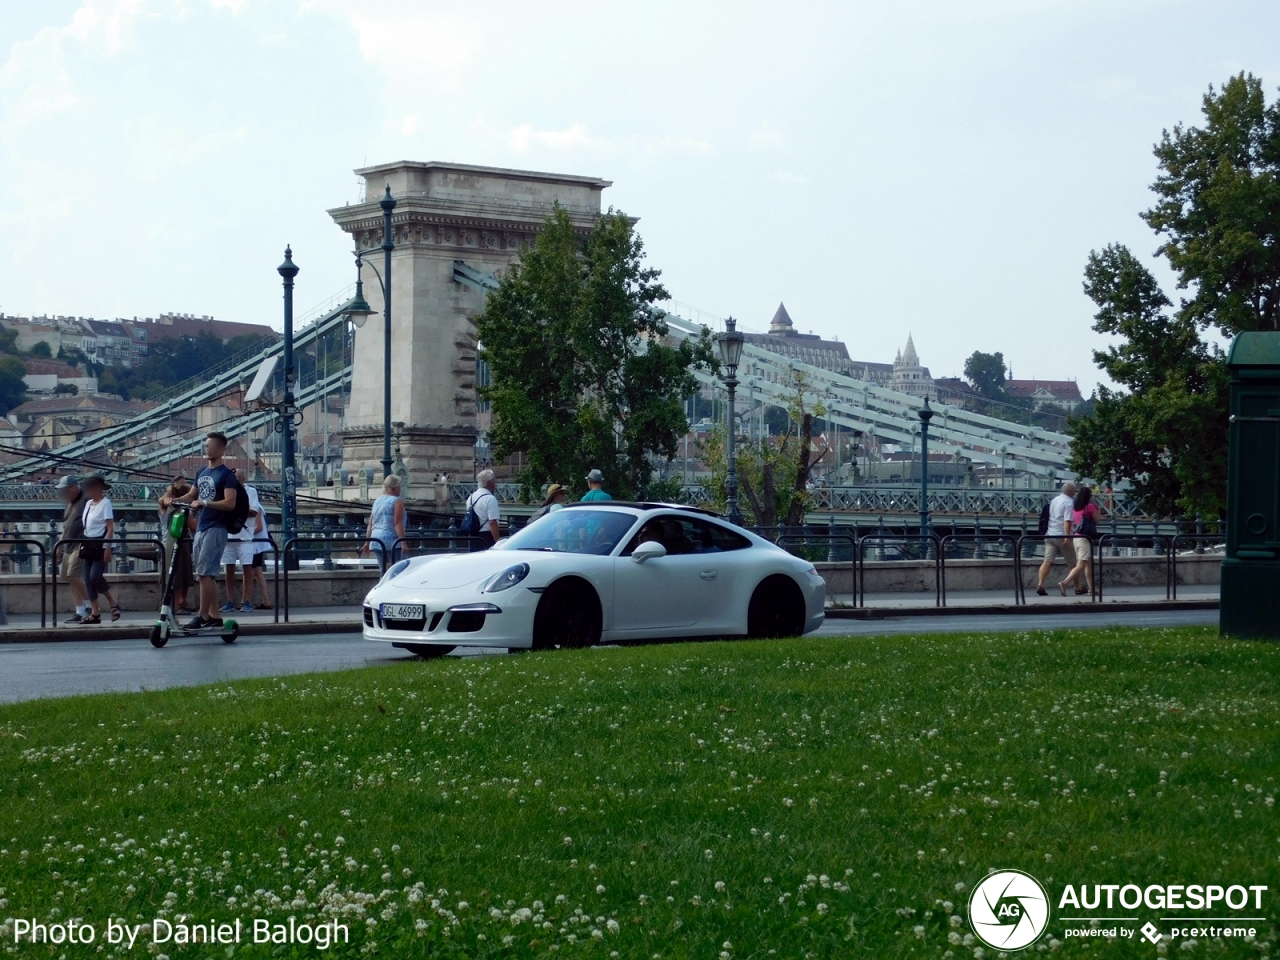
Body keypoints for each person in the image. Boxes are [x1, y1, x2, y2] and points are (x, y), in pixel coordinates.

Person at [178, 431, 238, 629]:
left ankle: (202, 616)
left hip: (216, 528)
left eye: (210, 446)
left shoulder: (227, 475)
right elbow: (191, 495)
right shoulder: (202, 472)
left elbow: (230, 503)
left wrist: (205, 502)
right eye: (205, 446)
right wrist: (174, 500)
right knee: (203, 575)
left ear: (221, 449)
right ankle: (214, 616)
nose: (207, 449)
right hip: (201, 528)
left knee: (205, 573)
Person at [221, 468, 265, 613]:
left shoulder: (250, 491)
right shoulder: (225, 490)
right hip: (228, 536)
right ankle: (230, 601)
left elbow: (254, 511)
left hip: (245, 536)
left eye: (239, 479)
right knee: (229, 569)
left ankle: (246, 601)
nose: (236, 482)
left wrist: (235, 509)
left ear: (244, 479)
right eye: (234, 479)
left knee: (248, 569)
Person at [79, 474, 121, 624]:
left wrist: (107, 548)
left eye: (91, 487)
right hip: (88, 544)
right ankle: (95, 613)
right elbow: (85, 527)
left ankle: (113, 604)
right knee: (88, 580)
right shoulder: (89, 503)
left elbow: (110, 528)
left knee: (95, 576)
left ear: (99, 488)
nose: (89, 490)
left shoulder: (106, 503)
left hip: (101, 545)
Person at [158, 476, 197, 613]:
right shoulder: (183, 511)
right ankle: (176, 605)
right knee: (179, 574)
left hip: (169, 544)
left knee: (177, 574)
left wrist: (170, 497)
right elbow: (193, 526)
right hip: (179, 543)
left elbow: (161, 500)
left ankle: (176, 602)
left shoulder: (166, 509)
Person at [55, 474, 89, 624]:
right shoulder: (69, 503)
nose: (62, 494)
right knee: (69, 578)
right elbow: (66, 526)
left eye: (64, 490)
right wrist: (59, 546)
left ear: (74, 489)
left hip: (79, 543)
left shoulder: (86, 500)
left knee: (73, 574)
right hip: (68, 544)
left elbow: (91, 523)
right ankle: (79, 611)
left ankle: (90, 606)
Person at [1036, 481, 1078, 596]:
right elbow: (1067, 521)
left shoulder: (1054, 500)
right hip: (1061, 536)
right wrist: (1067, 536)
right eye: (1074, 491)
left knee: (1047, 561)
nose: (1075, 493)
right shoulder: (1069, 502)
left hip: (1050, 535)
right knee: (1073, 564)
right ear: (1070, 491)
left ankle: (1040, 584)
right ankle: (1078, 587)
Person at [1062, 485, 1100, 597]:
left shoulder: (1075, 507)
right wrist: (1098, 510)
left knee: (1088, 564)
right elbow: (1097, 521)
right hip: (1085, 538)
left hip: (1076, 537)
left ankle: (1091, 589)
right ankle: (1064, 583)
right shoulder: (1091, 506)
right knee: (1080, 565)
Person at [362, 474, 407, 567]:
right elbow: (397, 523)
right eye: (399, 486)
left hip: (376, 540)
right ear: (394, 487)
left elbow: (370, 524)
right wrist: (403, 543)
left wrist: (367, 543)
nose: (400, 489)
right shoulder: (397, 501)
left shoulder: (377, 501)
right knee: (396, 570)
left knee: (383, 571)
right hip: (392, 541)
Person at [466, 469, 502, 547]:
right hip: (486, 536)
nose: (495, 482)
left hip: (473, 536)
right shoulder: (490, 499)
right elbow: (492, 523)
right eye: (494, 480)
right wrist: (498, 543)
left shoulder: (471, 497)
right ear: (489, 483)